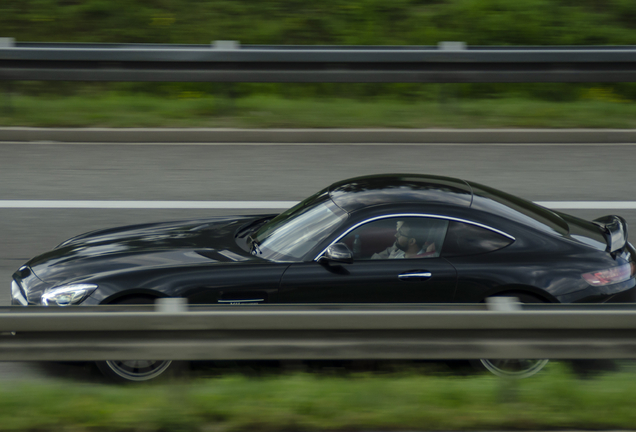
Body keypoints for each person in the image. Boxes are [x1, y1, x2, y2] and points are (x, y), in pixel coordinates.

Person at [371, 220, 437, 259]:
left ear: (411, 241)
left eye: (400, 233)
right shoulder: (399, 252)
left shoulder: (420, 261)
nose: (395, 235)